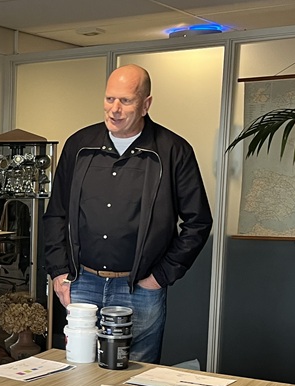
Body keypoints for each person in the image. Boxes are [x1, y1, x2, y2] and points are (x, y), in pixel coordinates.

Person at [42, 64, 212, 363]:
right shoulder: (79, 145)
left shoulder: (173, 150)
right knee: (78, 373)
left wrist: (161, 276)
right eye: (109, 99)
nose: (115, 110)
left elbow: (198, 222)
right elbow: (56, 213)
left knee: (136, 377)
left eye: (126, 101)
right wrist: (58, 271)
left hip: (140, 287)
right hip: (82, 283)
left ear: (146, 104)